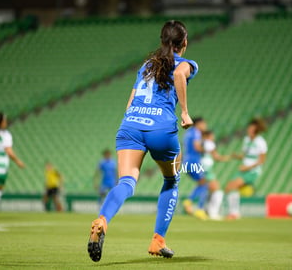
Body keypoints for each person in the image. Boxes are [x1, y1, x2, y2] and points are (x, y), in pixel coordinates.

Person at [88, 20, 198, 262]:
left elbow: (131, 100)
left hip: (131, 125)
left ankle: (102, 220)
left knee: (126, 182)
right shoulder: (186, 64)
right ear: (185, 43)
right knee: (171, 180)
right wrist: (185, 112)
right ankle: (158, 241)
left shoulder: (147, 66)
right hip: (161, 129)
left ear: (162, 41)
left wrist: (134, 121)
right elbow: (179, 73)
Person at [214, 118, 268, 220]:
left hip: (252, 171)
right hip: (243, 169)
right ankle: (233, 212)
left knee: (234, 185)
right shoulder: (246, 140)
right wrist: (237, 156)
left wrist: (247, 167)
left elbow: (261, 160)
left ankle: (234, 213)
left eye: (251, 127)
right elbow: (245, 155)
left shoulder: (261, 142)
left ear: (256, 129)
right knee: (228, 187)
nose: (249, 129)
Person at [195, 130, 229, 220]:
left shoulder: (200, 142)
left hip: (201, 168)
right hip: (206, 169)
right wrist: (229, 158)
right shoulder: (209, 143)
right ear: (208, 136)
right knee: (217, 190)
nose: (213, 138)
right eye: (212, 135)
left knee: (207, 190)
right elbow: (216, 157)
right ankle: (213, 213)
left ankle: (205, 210)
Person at [182, 117, 207, 215]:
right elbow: (197, 147)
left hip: (186, 161)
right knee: (204, 183)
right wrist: (205, 150)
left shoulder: (188, 133)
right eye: (204, 123)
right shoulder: (196, 132)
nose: (205, 126)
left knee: (201, 182)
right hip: (194, 161)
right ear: (199, 123)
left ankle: (189, 202)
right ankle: (199, 208)